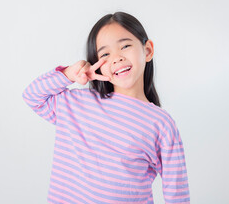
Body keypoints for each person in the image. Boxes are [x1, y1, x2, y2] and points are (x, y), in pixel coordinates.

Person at [22, 11, 190, 203]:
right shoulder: (76, 103)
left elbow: (177, 192)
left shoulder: (161, 123)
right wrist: (69, 74)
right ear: (97, 64)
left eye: (125, 46)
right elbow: (33, 96)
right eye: (105, 54)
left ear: (148, 50)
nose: (116, 58)